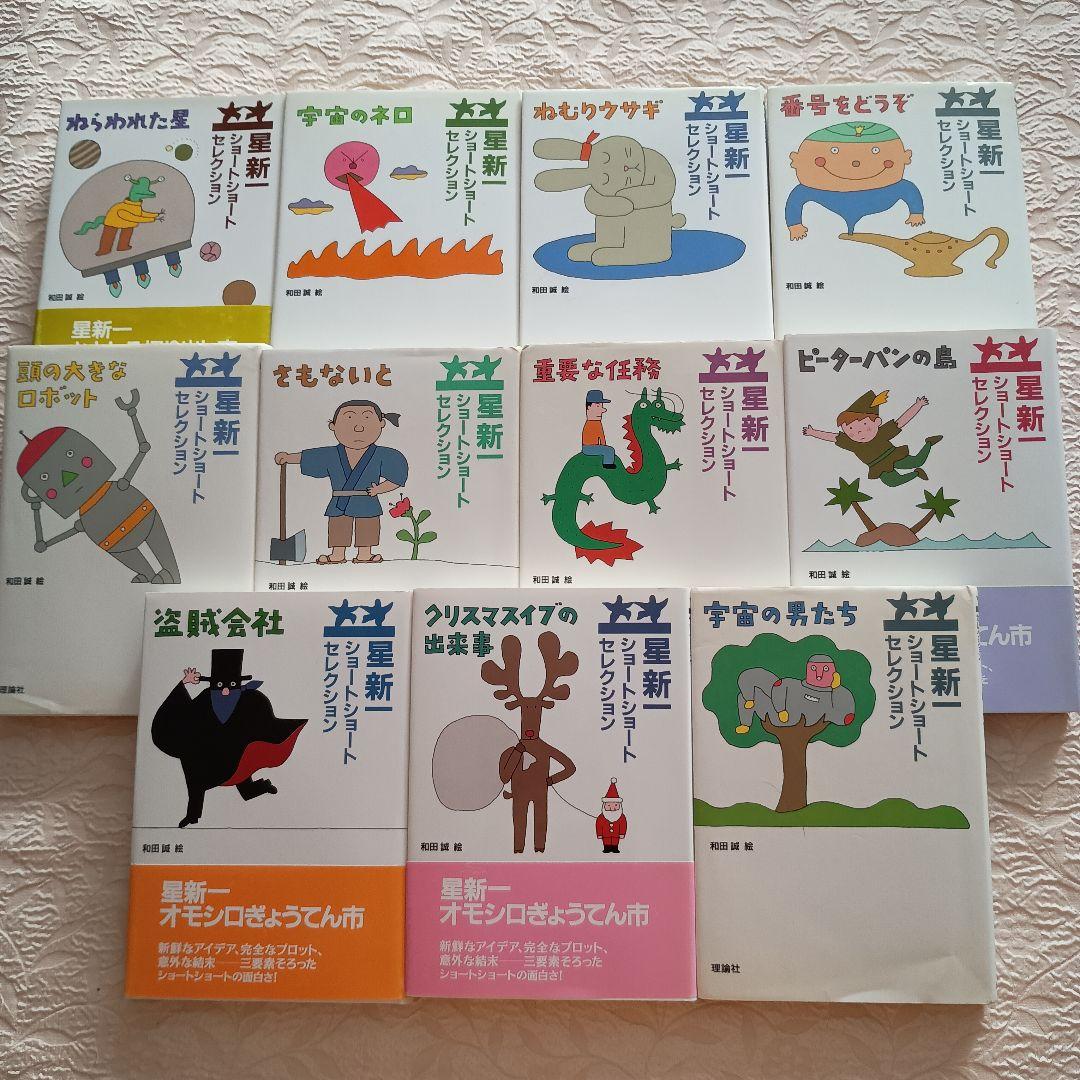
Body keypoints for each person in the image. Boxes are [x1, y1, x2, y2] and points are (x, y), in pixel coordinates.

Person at [275, 399, 408, 565]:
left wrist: (379, 489)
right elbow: (310, 457)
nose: (358, 428)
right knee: (339, 527)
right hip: (340, 499)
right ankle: (337, 554)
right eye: (349, 419)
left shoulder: (385, 455)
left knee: (367, 527)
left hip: (367, 499)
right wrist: (289, 458)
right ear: (333, 426)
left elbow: (396, 477)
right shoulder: (331, 454)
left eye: (367, 418)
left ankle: (365, 554)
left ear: (381, 424)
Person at [784, 121, 925, 239]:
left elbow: (910, 191)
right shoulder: (810, 190)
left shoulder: (897, 187)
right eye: (834, 151)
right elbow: (795, 201)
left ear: (905, 157)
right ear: (796, 160)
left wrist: (916, 213)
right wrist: (794, 225)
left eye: (875, 151)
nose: (855, 163)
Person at [803, 390, 941, 487]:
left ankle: (929, 442)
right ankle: (916, 474)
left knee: (918, 460)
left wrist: (918, 405)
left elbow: (901, 421)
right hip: (877, 465)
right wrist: (812, 432)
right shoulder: (851, 443)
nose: (859, 433)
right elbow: (832, 437)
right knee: (892, 482)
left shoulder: (882, 433)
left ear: (877, 422)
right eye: (851, 431)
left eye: (865, 426)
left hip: (893, 455)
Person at [580, 389, 616, 469]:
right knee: (609, 450)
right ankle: (607, 464)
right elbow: (601, 437)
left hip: (592, 447)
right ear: (588, 407)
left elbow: (601, 436)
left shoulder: (596, 423)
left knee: (608, 449)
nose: (602, 410)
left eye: (601, 406)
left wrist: (603, 446)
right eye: (597, 406)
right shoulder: (592, 423)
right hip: (589, 448)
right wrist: (604, 447)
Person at [595, 778, 628, 853]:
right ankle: (606, 848)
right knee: (606, 841)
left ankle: (615, 848)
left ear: (619, 805)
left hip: (616, 835)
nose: (612, 808)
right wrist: (599, 834)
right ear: (604, 806)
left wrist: (622, 833)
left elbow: (623, 825)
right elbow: (598, 825)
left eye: (615, 805)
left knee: (615, 841)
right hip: (605, 835)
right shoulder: (601, 817)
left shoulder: (621, 817)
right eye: (609, 805)